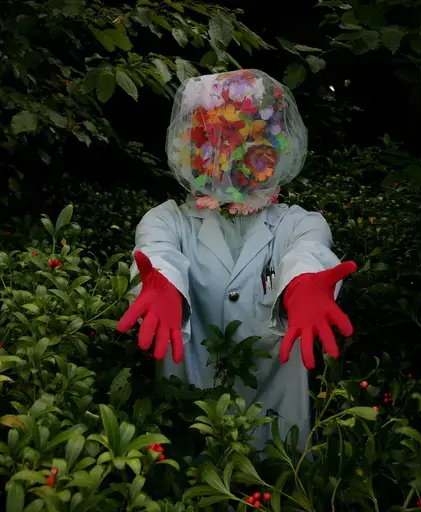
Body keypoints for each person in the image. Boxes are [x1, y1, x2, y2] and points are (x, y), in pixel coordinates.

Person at [117, 69, 356, 448]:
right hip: (191, 419)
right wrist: (161, 283)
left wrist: (303, 284)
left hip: (276, 425)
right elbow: (157, 251)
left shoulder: (297, 223)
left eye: (247, 138)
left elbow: (308, 250)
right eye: (215, 140)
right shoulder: (168, 220)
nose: (228, 154)